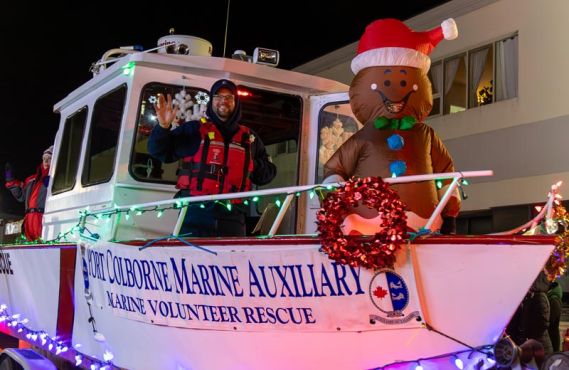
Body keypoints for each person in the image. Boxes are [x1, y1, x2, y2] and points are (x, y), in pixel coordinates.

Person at [323, 18, 461, 234]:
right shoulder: (366, 136)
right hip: (367, 222)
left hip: (423, 223)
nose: (395, 89)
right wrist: (336, 200)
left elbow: (445, 172)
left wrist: (450, 211)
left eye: (405, 82)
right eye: (385, 82)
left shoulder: (425, 134)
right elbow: (336, 168)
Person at [148, 79, 276, 237]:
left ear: (236, 103)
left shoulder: (249, 138)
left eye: (229, 97)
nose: (223, 101)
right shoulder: (194, 130)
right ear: (211, 101)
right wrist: (163, 127)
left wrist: (249, 164)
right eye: (218, 96)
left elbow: (267, 174)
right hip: (194, 214)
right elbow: (159, 152)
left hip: (233, 218)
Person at [4, 145, 53, 241]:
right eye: (44, 158)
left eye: (49, 158)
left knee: (42, 245)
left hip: (42, 217)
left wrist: (51, 181)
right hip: (28, 218)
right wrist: (10, 179)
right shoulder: (30, 179)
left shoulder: (55, 177)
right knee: (30, 247)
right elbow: (21, 196)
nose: (46, 161)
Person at [547, 279, 563, 352]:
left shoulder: (554, 300)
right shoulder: (553, 298)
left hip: (552, 337)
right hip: (551, 335)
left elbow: (551, 319)